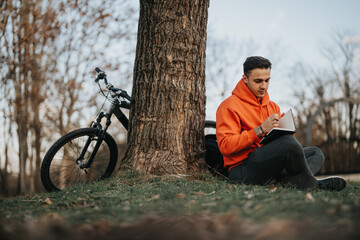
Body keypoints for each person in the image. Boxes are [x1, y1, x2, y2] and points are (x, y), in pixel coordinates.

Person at [216, 56, 346, 190]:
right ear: (245, 79)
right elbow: (226, 146)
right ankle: (312, 184)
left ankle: (286, 181)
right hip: (242, 170)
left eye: (267, 80)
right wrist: (259, 130)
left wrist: (287, 127)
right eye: (258, 81)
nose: (263, 86)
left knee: (315, 153)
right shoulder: (229, 106)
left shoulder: (272, 107)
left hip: (269, 164)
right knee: (288, 143)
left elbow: (288, 147)